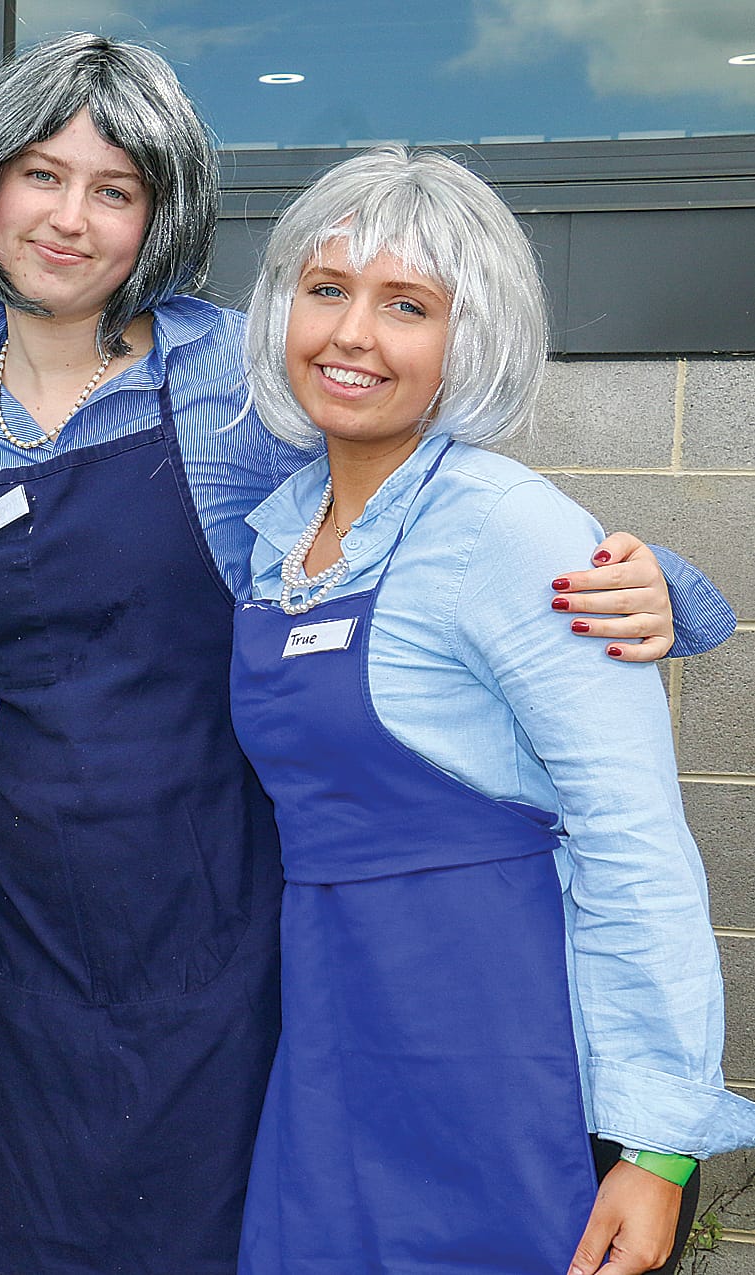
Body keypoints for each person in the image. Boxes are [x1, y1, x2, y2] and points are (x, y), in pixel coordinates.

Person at [0, 32, 736, 1275]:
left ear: (158, 216)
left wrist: (662, 588)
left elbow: (437, 518)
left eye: (113, 188)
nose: (68, 218)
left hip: (229, 929)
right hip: (41, 932)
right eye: (37, 174)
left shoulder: (243, 388)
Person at [230, 145, 755, 1275]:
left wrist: (657, 1150)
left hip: (496, 1055)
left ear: (469, 343)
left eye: (405, 305)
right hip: (327, 1040)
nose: (351, 335)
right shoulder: (275, 533)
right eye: (325, 290)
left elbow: (633, 842)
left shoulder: (505, 528)